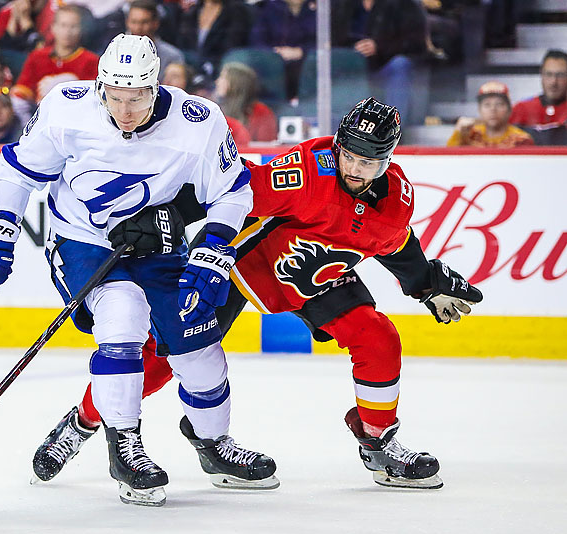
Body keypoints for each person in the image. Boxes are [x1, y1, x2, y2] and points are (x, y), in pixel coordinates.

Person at [31, 97, 484, 491]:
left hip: (313, 274)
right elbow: (231, 186)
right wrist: (158, 214)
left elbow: (393, 243)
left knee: (378, 336)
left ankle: (379, 441)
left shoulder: (397, 198)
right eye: (348, 154)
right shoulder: (307, 173)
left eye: (367, 162)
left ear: (387, 160)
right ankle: (82, 422)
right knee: (167, 356)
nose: (353, 168)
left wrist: (425, 283)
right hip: (240, 262)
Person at [0, 33, 276, 507]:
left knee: (199, 349)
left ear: (155, 88)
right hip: (82, 240)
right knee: (123, 312)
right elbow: (19, 172)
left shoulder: (198, 121)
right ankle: (125, 450)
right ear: (100, 87)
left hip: (159, 245)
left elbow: (233, 191)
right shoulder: (67, 109)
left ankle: (215, 446)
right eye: (114, 97)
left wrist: (213, 247)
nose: (125, 110)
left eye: (136, 98)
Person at [331, 0, 429, 126]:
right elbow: (333, 39)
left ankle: (390, 128)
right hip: (354, 68)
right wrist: (352, 50)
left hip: (386, 67)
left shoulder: (404, 4)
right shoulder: (343, 5)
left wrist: (379, 46)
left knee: (400, 64)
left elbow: (416, 43)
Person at [12, 6, 99, 103]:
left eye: (73, 26)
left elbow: (94, 96)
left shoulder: (91, 60)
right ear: (53, 27)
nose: (67, 32)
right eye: (63, 25)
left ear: (81, 30)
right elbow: (23, 89)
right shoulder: (36, 56)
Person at [251, 0, 316, 101]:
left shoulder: (320, 9)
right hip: (274, 64)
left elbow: (328, 41)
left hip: (307, 65)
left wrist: (302, 51)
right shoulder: (271, 8)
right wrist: (274, 53)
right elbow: (257, 39)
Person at [447, 81, 533, 148]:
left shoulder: (521, 139)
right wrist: (458, 132)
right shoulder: (469, 135)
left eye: (499, 104)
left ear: (509, 110)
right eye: (487, 105)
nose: (493, 109)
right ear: (479, 110)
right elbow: (449, 158)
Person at [177, 0, 251, 77]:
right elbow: (182, 46)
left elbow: (231, 47)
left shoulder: (236, 12)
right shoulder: (192, 13)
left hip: (219, 71)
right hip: (190, 71)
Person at [510, 49, 567, 146]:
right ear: (541, 74)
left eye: (560, 75)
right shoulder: (521, 109)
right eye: (549, 74)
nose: (553, 82)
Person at [215, 62, 278, 142]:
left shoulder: (261, 111)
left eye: (222, 77)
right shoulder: (216, 109)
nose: (217, 82)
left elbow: (266, 146)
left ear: (236, 83)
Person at [124, 0, 184, 80]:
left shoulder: (172, 57)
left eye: (144, 22)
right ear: (127, 22)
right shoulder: (114, 52)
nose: (138, 27)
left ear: (155, 23)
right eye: (134, 22)